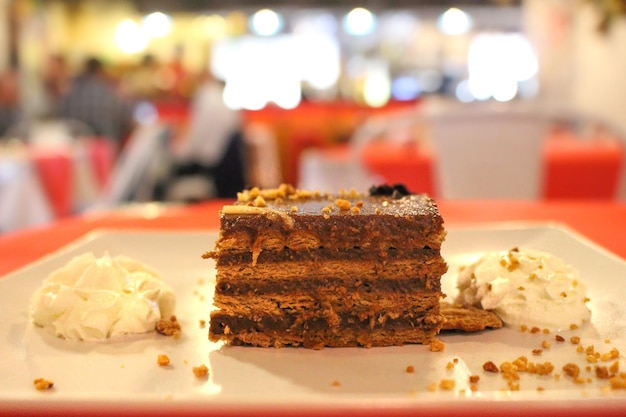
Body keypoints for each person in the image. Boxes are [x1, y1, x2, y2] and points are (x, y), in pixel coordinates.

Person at [163, 71, 245, 200]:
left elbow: (194, 147)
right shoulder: (220, 100)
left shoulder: (207, 99)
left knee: (165, 178)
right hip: (227, 174)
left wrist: (175, 149)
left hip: (212, 173)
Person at [57, 57, 132, 146]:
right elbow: (125, 123)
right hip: (107, 149)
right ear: (100, 71)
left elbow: (60, 119)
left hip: (74, 148)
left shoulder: (70, 93)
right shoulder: (110, 93)